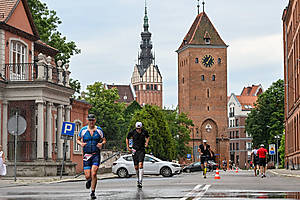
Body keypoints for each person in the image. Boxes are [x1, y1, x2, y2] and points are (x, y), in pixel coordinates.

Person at [77, 114, 106, 199]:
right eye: (90, 120)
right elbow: (78, 140)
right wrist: (81, 143)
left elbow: (104, 140)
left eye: (92, 120)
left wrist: (101, 143)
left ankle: (93, 192)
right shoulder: (83, 130)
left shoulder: (99, 130)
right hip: (86, 155)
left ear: (95, 120)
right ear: (87, 121)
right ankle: (89, 181)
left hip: (95, 154)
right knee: (87, 176)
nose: (91, 122)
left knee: (94, 173)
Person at [126, 122, 149, 188]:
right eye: (137, 128)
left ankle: (140, 181)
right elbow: (127, 138)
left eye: (139, 128)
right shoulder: (132, 132)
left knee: (140, 164)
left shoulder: (144, 132)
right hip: (134, 150)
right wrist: (128, 147)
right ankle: (138, 178)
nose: (138, 130)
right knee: (136, 167)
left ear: (141, 128)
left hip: (141, 150)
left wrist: (146, 143)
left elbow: (147, 137)